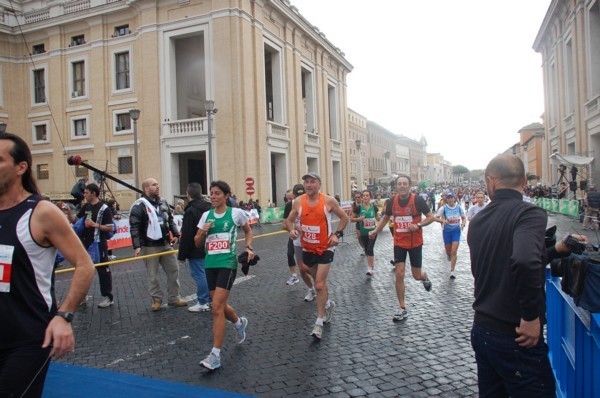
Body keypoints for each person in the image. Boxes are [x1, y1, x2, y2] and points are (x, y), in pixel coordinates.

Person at [467, 154, 586, 397]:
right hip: (515, 336)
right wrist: (531, 316)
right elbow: (523, 260)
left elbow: (506, 259)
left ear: (490, 182)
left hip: (483, 329)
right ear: (523, 183)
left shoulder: (477, 220)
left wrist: (555, 250)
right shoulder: (529, 214)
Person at [0, 132, 94, 397]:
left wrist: (64, 316)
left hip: (28, 338)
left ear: (21, 167)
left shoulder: (41, 212)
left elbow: (85, 266)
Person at [194, 181, 253, 370]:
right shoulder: (205, 216)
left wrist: (248, 247)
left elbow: (248, 230)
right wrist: (203, 232)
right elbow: (196, 243)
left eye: (217, 193)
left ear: (226, 196)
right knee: (220, 305)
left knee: (216, 307)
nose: (213, 196)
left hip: (227, 263)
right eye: (211, 193)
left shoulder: (236, 213)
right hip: (210, 264)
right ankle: (239, 322)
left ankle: (215, 355)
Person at [284, 172, 349, 339]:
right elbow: (288, 221)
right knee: (317, 280)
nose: (308, 185)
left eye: (312, 182)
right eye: (306, 182)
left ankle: (318, 323)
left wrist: (337, 235)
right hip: (308, 248)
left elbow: (344, 218)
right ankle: (328, 303)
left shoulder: (328, 201)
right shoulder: (298, 202)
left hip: (326, 247)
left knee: (319, 284)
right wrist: (291, 230)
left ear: (319, 184)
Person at [369, 174, 438, 321]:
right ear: (396, 186)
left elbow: (431, 217)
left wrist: (418, 225)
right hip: (399, 243)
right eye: (399, 184)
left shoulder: (417, 200)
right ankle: (402, 308)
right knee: (399, 274)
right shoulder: (392, 201)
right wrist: (375, 231)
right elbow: (386, 218)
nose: (401, 186)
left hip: (415, 243)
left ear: (409, 185)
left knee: (416, 275)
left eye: (404, 183)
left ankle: (424, 277)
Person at [129, 178, 187, 311]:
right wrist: (137, 246)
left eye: (158, 184)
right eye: (154, 185)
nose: (157, 186)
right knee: (152, 275)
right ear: (146, 189)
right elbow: (134, 227)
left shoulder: (163, 202)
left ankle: (174, 297)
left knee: (173, 270)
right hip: (149, 246)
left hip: (166, 243)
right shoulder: (139, 206)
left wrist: (176, 235)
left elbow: (170, 220)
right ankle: (156, 299)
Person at [63, 183, 115, 308]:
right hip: (85, 242)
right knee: (82, 269)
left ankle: (107, 297)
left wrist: (94, 225)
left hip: (98, 243)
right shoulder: (86, 206)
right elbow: (76, 220)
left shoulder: (104, 208)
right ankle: (82, 297)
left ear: (94, 193)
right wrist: (69, 213)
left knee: (103, 269)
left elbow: (110, 227)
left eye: (86, 193)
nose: (84, 195)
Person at [178, 183, 212, 312]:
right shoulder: (208, 207)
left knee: (200, 275)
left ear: (188, 194)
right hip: (209, 246)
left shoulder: (191, 210)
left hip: (196, 249)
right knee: (208, 274)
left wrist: (182, 255)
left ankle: (203, 301)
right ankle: (211, 299)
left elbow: (187, 234)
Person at [283, 184, 317, 300]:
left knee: (313, 266)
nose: (300, 197)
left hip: (313, 239)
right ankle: (311, 289)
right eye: (298, 195)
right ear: (294, 195)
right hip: (298, 240)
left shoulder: (312, 202)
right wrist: (292, 230)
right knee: (302, 268)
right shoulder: (290, 205)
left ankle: (320, 285)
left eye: (302, 195)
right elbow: (285, 224)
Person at [435, 191, 466, 279]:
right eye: (448, 198)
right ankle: (448, 255)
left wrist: (463, 224)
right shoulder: (443, 208)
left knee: (454, 251)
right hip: (447, 232)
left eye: (452, 198)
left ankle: (452, 271)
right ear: (446, 200)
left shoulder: (459, 208)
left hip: (456, 231)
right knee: (448, 251)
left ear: (454, 199)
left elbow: (464, 218)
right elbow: (435, 218)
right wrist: (443, 221)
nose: (450, 200)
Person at [351, 189, 380, 276]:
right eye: (364, 196)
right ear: (362, 198)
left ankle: (369, 268)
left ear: (370, 197)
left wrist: (382, 221)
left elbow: (377, 217)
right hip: (363, 233)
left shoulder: (373, 207)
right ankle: (371, 264)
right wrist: (358, 219)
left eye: (367, 195)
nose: (365, 197)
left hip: (373, 232)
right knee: (367, 250)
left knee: (370, 249)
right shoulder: (358, 208)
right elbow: (351, 219)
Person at [352, 191, 366, 256]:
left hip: (365, 222)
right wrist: (357, 218)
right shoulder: (353, 204)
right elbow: (352, 215)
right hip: (358, 222)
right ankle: (363, 248)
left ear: (361, 197)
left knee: (365, 236)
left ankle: (367, 248)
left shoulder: (364, 203)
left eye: (358, 197)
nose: (357, 198)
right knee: (359, 237)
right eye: (356, 197)